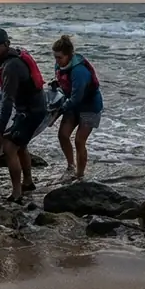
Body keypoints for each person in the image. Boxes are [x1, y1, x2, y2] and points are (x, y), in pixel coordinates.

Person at [0, 27, 47, 202]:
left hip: (31, 111)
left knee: (9, 147)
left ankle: (16, 193)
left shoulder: (11, 65)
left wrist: (0, 131)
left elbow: (7, 101)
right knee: (20, 145)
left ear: (6, 44)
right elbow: (10, 83)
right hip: (32, 107)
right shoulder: (10, 59)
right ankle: (28, 182)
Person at [48, 34, 103, 180]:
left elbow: (76, 98)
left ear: (69, 55)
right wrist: (56, 83)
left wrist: (59, 110)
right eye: (55, 57)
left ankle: (80, 175)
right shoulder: (59, 65)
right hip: (73, 105)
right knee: (63, 135)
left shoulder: (79, 71)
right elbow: (64, 84)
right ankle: (70, 165)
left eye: (59, 57)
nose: (57, 61)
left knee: (79, 141)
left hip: (90, 106)